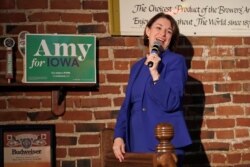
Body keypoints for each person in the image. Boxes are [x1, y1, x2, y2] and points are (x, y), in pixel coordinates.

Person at [112, 12, 192, 167]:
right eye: (159, 28)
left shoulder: (176, 62)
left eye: (169, 31)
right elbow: (127, 106)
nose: (163, 34)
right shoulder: (136, 67)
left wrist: (155, 73)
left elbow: (171, 102)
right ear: (148, 31)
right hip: (136, 144)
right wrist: (119, 136)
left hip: (164, 146)